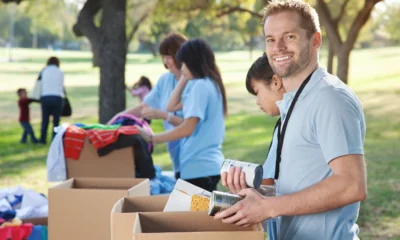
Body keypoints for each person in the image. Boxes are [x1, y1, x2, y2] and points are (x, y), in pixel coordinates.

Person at [215, 1, 367, 239]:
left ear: (315, 40)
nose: (278, 47)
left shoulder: (329, 98)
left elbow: (351, 185)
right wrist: (252, 193)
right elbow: (291, 185)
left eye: (290, 37)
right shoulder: (294, 101)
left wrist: (267, 207)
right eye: (270, 39)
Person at [138, 38, 228, 192]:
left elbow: (187, 128)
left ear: (193, 62)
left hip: (199, 168)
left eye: (184, 64)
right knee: (199, 212)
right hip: (203, 168)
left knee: (193, 213)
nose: (182, 68)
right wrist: (185, 77)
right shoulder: (209, 83)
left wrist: (152, 138)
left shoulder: (200, 87)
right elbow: (170, 106)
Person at [108, 33, 188, 178]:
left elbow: (191, 126)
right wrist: (116, 119)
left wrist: (163, 116)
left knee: (197, 201)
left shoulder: (197, 85)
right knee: (188, 200)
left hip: (196, 162)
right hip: (178, 159)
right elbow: (143, 108)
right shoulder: (165, 80)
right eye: (164, 56)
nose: (166, 61)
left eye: (170, 56)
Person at [39, 56, 65, 144]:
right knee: (56, 120)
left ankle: (43, 139)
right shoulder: (60, 72)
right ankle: (55, 139)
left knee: (45, 120)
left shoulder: (44, 71)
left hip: (45, 96)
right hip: (57, 97)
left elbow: (39, 83)